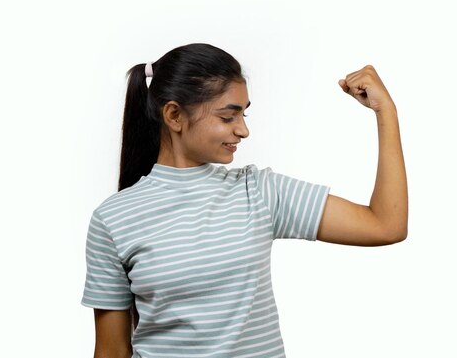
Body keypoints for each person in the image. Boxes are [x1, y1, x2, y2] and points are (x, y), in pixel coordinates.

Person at [81, 43, 408, 358]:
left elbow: (385, 225)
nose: (243, 131)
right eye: (228, 117)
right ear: (174, 116)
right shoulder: (113, 219)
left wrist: (386, 112)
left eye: (244, 115)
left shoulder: (261, 192)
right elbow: (112, 351)